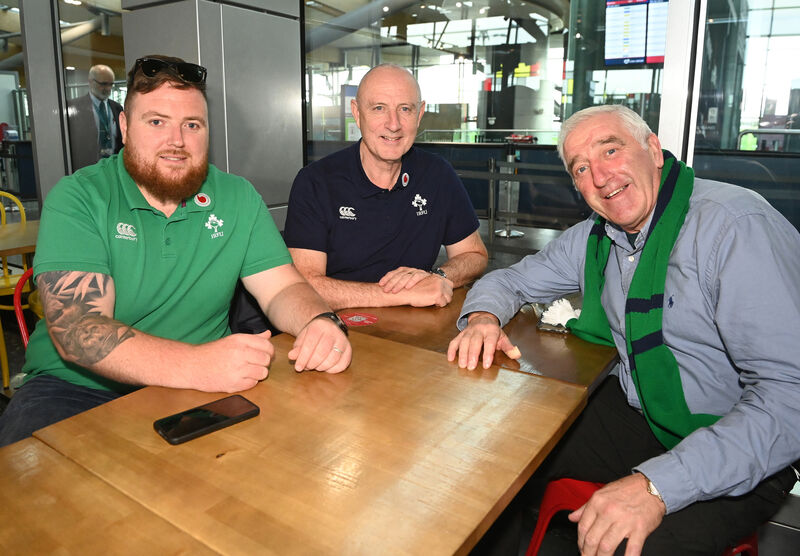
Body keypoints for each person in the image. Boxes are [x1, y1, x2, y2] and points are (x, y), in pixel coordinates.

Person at [448, 104, 800, 555]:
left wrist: (656, 485)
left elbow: (789, 399)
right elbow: (508, 279)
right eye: (581, 167)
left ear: (654, 149)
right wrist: (483, 319)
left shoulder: (733, 227)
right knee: (502, 448)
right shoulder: (598, 235)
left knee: (625, 547)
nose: (600, 175)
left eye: (610, 150)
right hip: (646, 415)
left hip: (742, 442)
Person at [0, 55, 351, 448]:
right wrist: (197, 365)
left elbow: (283, 289)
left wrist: (319, 321)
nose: (177, 141)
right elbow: (80, 330)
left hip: (202, 389)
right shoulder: (81, 196)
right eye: (156, 122)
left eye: (192, 125)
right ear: (124, 127)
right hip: (77, 389)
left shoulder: (237, 197)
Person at [283, 64, 488, 310]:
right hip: (336, 329)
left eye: (405, 109)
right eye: (379, 108)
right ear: (357, 113)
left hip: (414, 330)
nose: (394, 124)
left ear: (420, 114)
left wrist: (439, 277)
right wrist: (400, 295)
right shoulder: (316, 182)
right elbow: (304, 284)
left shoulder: (437, 175)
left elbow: (475, 256)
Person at [67, 64, 124, 170]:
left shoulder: (117, 108)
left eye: (110, 84)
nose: (107, 88)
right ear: (90, 81)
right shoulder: (74, 108)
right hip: (87, 169)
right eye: (103, 84)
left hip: (114, 167)